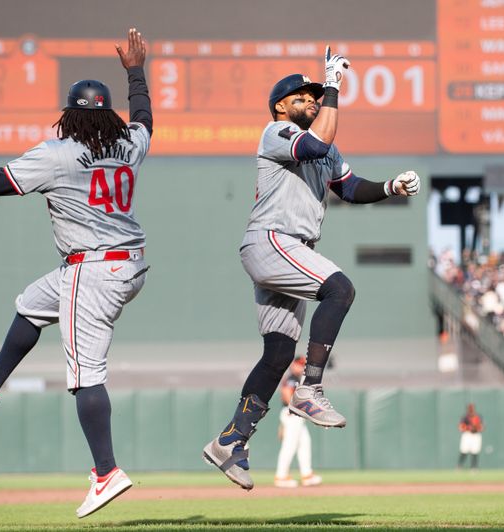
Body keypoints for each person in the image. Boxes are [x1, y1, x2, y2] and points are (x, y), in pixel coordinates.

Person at [0, 28, 152, 518]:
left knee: (85, 375)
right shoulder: (129, 143)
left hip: (94, 268)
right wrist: (135, 72)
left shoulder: (58, 152)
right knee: (31, 304)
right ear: (106, 114)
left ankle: (106, 473)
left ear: (69, 114)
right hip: (126, 263)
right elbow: (144, 118)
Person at [203, 47, 421, 490]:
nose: (313, 99)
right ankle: (310, 389)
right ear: (281, 104)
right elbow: (316, 143)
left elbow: (351, 187)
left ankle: (231, 440)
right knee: (339, 289)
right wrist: (336, 84)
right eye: (303, 95)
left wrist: (391, 187)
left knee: (279, 353)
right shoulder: (276, 132)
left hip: (290, 247)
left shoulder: (325, 148)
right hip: (271, 239)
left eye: (316, 95)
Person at [274, 356, 322, 488]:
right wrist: (292, 409)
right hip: (292, 414)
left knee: (305, 443)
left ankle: (307, 475)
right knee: (289, 446)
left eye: (303, 365)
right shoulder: (291, 379)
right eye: (299, 364)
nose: (301, 367)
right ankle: (281, 476)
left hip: (297, 415)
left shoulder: (299, 380)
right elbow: (285, 394)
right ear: (293, 365)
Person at [458, 403, 483, 470]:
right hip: (467, 434)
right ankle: (459, 466)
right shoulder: (465, 417)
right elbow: (461, 427)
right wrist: (468, 428)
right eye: (470, 408)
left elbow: (481, 427)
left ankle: (474, 467)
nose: (471, 410)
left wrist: (476, 428)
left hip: (475, 435)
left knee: (475, 451)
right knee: (464, 451)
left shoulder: (478, 417)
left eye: (472, 408)